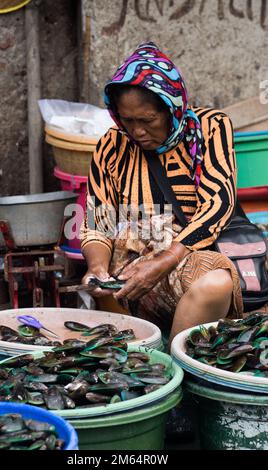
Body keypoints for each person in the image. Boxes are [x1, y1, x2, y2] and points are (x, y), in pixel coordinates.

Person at [80, 42, 243, 348]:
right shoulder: (111, 145)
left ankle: (175, 367)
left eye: (147, 120)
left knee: (217, 281)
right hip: (131, 263)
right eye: (127, 120)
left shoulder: (210, 128)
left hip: (188, 255)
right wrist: (97, 267)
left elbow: (218, 203)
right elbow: (96, 222)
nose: (137, 131)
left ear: (172, 108)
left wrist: (167, 259)